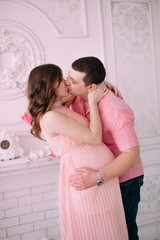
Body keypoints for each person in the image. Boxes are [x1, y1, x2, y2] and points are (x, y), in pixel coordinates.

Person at [27, 63, 128, 240]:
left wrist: (102, 84)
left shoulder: (59, 106)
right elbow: (94, 137)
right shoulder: (51, 117)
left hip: (102, 180)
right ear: (49, 86)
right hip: (87, 179)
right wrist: (93, 102)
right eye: (60, 80)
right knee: (96, 231)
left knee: (108, 228)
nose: (66, 82)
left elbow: (81, 90)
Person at [67, 56, 144, 240]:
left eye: (73, 81)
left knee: (125, 234)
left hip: (124, 181)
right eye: (67, 76)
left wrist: (97, 176)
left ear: (92, 87)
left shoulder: (115, 109)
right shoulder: (77, 94)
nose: (66, 82)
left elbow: (132, 155)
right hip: (104, 178)